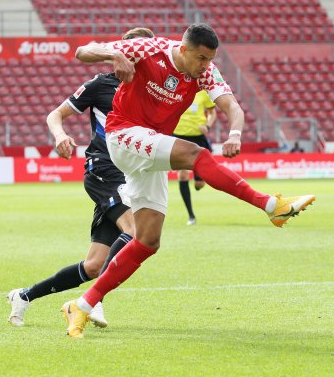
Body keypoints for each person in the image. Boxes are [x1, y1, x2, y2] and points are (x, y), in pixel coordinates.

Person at [60, 24, 315, 338]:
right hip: (123, 134)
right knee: (196, 154)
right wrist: (114, 54)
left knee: (147, 241)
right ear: (184, 49)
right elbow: (82, 52)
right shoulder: (148, 49)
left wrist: (235, 132)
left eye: (210, 59)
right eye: (201, 58)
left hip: (150, 146)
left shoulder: (205, 72)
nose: (205, 65)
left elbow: (232, 106)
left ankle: (82, 306)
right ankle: (271, 205)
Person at [6, 28, 155, 328]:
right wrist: (60, 135)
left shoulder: (151, 90)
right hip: (103, 169)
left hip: (129, 175)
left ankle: (23, 296)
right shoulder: (101, 84)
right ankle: (93, 301)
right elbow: (54, 115)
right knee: (137, 230)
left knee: (93, 265)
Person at [172, 90, 216, 226]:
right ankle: (191, 215)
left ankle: (198, 179)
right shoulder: (176, 89)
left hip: (198, 137)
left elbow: (212, 112)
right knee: (183, 175)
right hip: (178, 136)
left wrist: (208, 125)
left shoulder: (203, 93)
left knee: (199, 184)